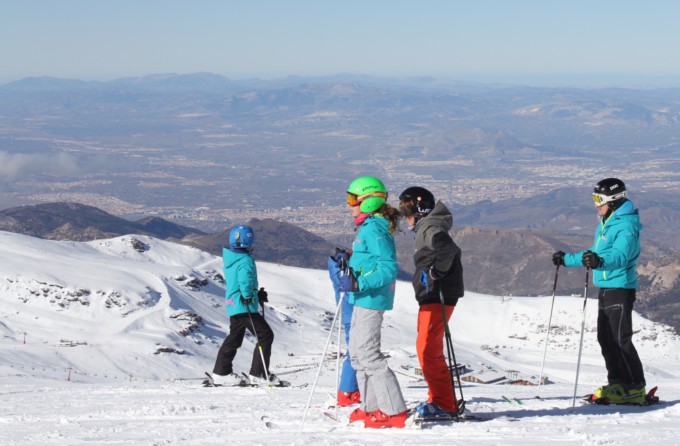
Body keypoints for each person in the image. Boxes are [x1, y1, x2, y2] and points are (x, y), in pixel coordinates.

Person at [552, 178, 646, 404]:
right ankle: (617, 383)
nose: (595, 204)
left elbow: (619, 257)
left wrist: (599, 261)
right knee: (605, 339)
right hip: (606, 286)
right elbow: (594, 254)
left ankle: (634, 388)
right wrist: (566, 260)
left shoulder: (626, 226)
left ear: (613, 199)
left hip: (619, 287)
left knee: (619, 339)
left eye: (598, 199)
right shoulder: (607, 222)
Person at [338, 176, 408, 428]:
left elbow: (387, 268)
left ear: (368, 201)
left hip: (371, 299)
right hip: (361, 297)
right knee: (357, 355)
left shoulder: (375, 229)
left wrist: (358, 282)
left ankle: (394, 410)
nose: (349, 205)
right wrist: (350, 259)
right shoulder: (369, 226)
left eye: (352, 199)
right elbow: (370, 260)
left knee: (368, 355)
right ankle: (371, 407)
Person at [398, 186, 464, 418]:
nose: (404, 215)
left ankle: (444, 404)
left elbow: (447, 249)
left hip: (438, 294)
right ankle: (439, 398)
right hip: (433, 294)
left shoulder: (429, 226)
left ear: (419, 209)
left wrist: (437, 272)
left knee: (428, 350)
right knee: (427, 348)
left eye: (406, 209)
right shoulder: (426, 226)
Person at [211, 225, 289, 387]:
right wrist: (249, 295)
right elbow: (245, 280)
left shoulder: (232, 258)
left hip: (234, 304)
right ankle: (259, 374)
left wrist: (256, 295)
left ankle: (221, 372)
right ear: (248, 242)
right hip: (243, 305)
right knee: (265, 335)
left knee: (235, 337)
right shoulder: (245, 260)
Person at [328, 248, 361, 406]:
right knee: (355, 351)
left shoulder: (338, 268)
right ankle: (347, 392)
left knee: (354, 351)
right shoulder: (343, 270)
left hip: (348, 313)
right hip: (353, 313)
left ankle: (350, 390)